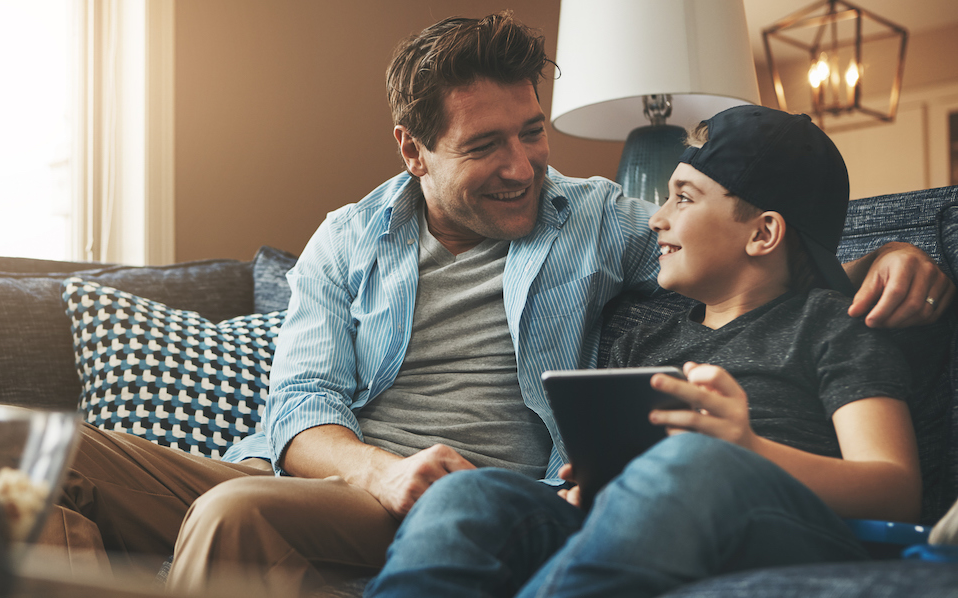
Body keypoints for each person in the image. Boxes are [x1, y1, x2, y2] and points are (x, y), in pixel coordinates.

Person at [37, 13, 953, 597]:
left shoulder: (594, 220)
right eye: (485, 147)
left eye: (533, 133)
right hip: (344, 474)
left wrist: (904, 248)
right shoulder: (346, 239)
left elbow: (753, 246)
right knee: (42, 457)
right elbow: (300, 406)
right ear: (414, 149)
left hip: (467, 483)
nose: (523, 166)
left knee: (241, 514)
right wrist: (377, 469)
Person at [365, 105, 933, 598]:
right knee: (467, 495)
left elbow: (896, 489)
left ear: (763, 234)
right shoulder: (647, 338)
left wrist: (748, 448)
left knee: (692, 462)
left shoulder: (833, 323)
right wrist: (596, 480)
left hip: (785, 525)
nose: (657, 218)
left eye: (682, 198)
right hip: (641, 523)